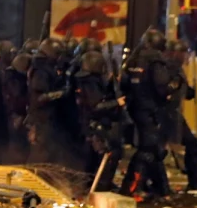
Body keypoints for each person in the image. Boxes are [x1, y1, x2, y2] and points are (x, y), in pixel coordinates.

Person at [119, 28, 173, 198]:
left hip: (135, 109)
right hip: (151, 110)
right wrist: (173, 87)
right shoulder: (155, 60)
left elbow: (124, 83)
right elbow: (161, 86)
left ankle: (161, 188)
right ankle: (131, 188)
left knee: (154, 149)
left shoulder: (133, 60)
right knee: (148, 149)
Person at [74, 49, 126, 194]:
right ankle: (101, 187)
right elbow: (96, 106)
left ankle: (91, 186)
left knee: (92, 159)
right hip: (94, 125)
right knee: (109, 154)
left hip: (88, 124)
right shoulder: (90, 83)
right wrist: (116, 103)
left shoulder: (83, 80)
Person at [164, 39, 197, 191]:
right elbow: (168, 90)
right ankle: (195, 183)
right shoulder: (168, 69)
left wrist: (190, 91)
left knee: (192, 146)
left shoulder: (177, 69)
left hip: (173, 115)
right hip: (167, 115)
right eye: (182, 53)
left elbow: (182, 91)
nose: (185, 56)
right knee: (192, 146)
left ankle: (196, 182)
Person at [25, 39, 74, 167]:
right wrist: (61, 93)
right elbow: (39, 98)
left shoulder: (46, 68)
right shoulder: (40, 70)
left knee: (48, 152)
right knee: (39, 154)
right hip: (40, 118)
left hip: (46, 117)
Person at [3, 50, 31, 164]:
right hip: (15, 113)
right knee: (17, 143)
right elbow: (17, 95)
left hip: (18, 112)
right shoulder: (14, 79)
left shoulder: (11, 77)